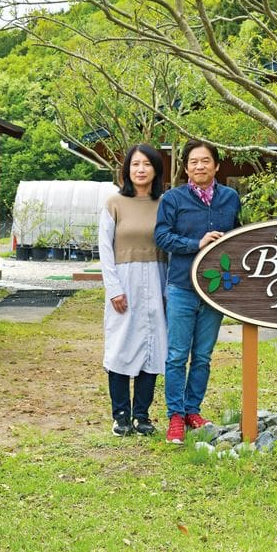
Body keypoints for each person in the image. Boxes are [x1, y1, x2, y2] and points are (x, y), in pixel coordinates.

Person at [154, 140, 241, 445]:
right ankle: (175, 417)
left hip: (216, 289)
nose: (199, 166)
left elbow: (239, 235)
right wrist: (196, 243)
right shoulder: (173, 199)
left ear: (216, 166)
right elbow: (162, 236)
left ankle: (193, 410)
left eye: (205, 161)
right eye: (193, 162)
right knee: (177, 355)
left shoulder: (230, 198)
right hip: (181, 286)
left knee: (202, 356)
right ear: (186, 167)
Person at [98, 145, 169, 436]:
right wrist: (114, 288)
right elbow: (104, 247)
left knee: (153, 345)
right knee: (120, 346)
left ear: (156, 169)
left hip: (157, 276)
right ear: (127, 169)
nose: (140, 169)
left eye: (146, 164)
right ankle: (121, 415)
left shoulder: (165, 202)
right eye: (135, 164)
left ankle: (142, 415)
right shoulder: (114, 202)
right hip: (123, 280)